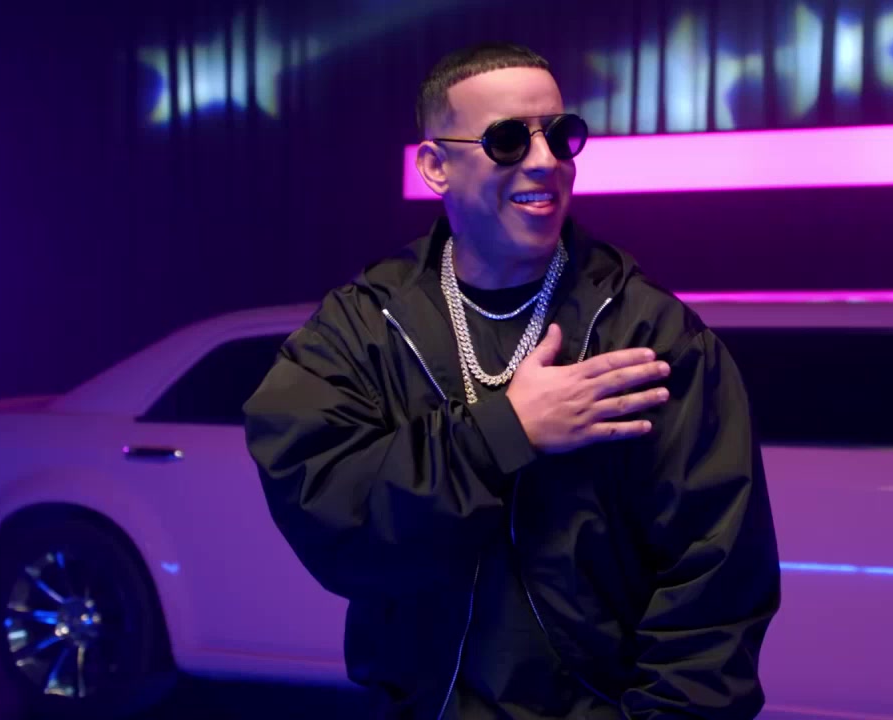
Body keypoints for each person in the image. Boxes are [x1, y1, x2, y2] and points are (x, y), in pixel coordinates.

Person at [243, 42, 781, 720]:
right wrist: (505, 431)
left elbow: (717, 585)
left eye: (561, 135)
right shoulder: (363, 328)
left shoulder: (651, 334)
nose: (546, 160)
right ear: (435, 166)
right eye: (507, 139)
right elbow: (335, 527)